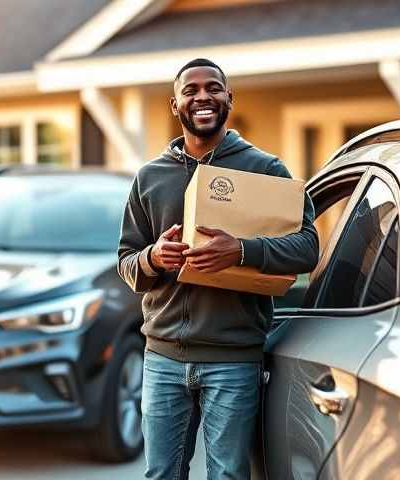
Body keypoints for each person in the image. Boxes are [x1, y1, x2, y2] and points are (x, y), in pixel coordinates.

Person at [117, 58, 319, 479]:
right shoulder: (149, 178)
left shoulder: (265, 170)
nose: (202, 96)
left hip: (233, 360)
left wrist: (242, 252)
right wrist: (154, 258)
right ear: (176, 105)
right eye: (190, 90)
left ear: (230, 98)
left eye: (213, 88)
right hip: (162, 359)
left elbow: (307, 247)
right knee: (161, 474)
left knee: (227, 475)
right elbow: (127, 263)